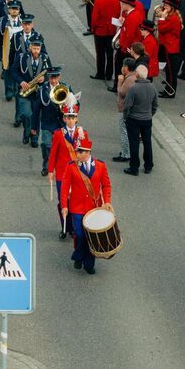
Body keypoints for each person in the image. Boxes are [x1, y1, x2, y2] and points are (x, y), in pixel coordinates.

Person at [58, 136, 112, 274]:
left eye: (80, 151)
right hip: (77, 208)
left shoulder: (100, 166)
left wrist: (107, 201)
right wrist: (64, 206)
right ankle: (79, 256)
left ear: (88, 152)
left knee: (91, 237)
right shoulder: (71, 166)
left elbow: (106, 185)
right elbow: (64, 187)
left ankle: (88, 264)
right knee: (80, 234)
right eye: (77, 151)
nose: (77, 153)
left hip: (93, 208)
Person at [123, 63, 157, 174]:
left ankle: (134, 167)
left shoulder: (134, 88)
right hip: (147, 119)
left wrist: (125, 117)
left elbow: (127, 105)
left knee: (134, 143)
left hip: (134, 119)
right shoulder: (152, 87)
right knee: (147, 142)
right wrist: (150, 114)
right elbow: (155, 104)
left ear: (137, 74)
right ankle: (148, 165)